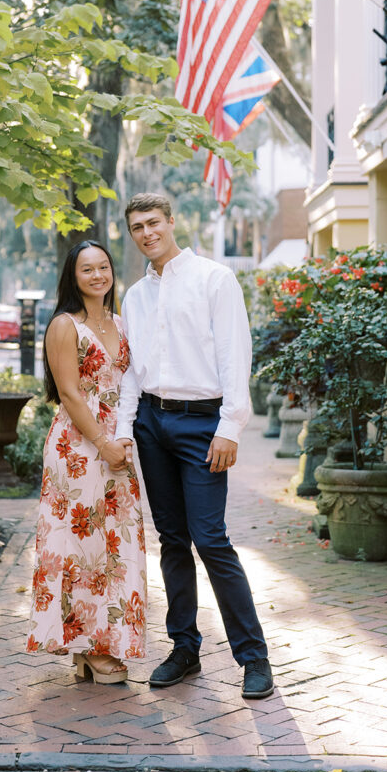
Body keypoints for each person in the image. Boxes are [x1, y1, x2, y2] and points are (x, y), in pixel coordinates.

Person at [114, 193, 273, 699]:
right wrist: (125, 429)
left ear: (171, 222)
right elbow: (132, 374)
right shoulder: (134, 296)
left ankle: (253, 658)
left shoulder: (214, 279)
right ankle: (184, 648)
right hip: (152, 425)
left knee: (211, 539)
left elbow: (234, 355)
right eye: (137, 226)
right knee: (173, 539)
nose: (146, 233)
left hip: (204, 426)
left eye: (153, 223)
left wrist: (231, 426)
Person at [26, 240, 146, 683]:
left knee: (113, 546)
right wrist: (102, 441)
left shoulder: (120, 321)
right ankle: (88, 645)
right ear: (72, 278)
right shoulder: (64, 325)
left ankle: (100, 641)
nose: (97, 275)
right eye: (86, 269)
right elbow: (70, 394)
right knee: (80, 546)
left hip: (119, 441)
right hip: (78, 449)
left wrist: (122, 440)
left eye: (103, 267)